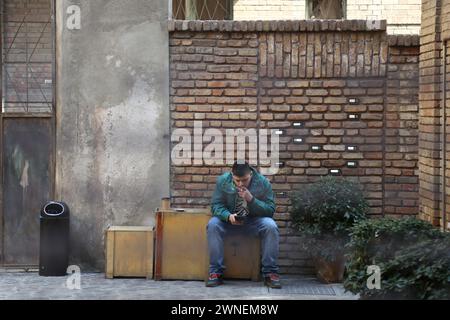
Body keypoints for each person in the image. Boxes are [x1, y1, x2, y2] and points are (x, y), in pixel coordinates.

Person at [206, 161, 281, 288]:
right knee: (213, 225)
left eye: (245, 180)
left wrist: (251, 199)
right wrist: (228, 216)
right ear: (232, 175)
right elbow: (216, 206)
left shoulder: (263, 182)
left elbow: (270, 210)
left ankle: (270, 273)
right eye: (237, 180)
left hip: (253, 222)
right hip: (229, 222)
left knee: (271, 226)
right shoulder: (223, 181)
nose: (240, 184)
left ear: (250, 174)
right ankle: (215, 272)